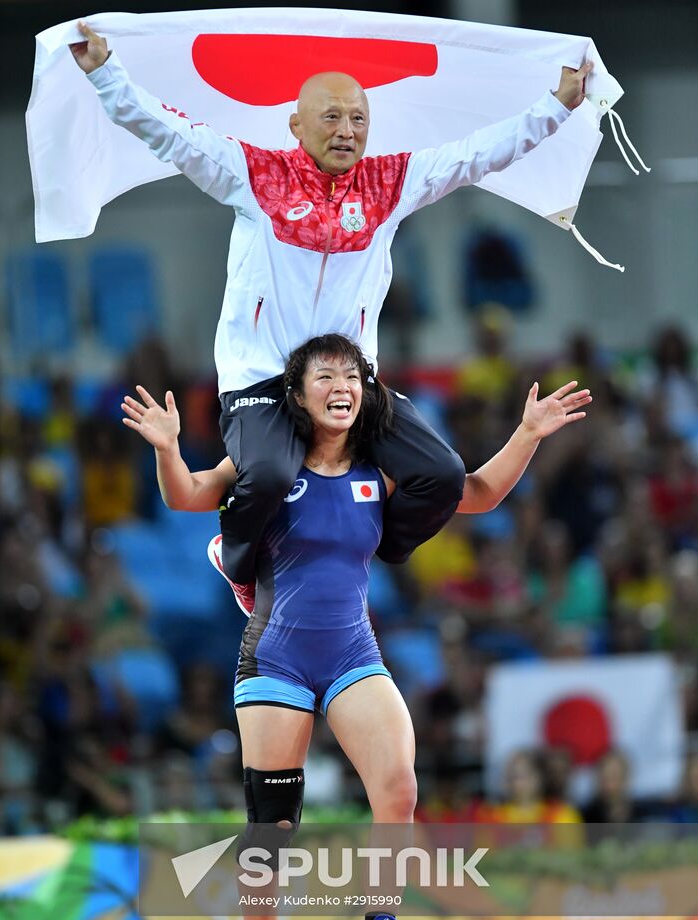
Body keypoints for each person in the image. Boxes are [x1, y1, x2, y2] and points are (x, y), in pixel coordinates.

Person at [72, 22, 592, 615]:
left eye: (359, 119)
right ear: (296, 124)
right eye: (332, 117)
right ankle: (236, 562)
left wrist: (558, 106)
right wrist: (105, 74)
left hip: (349, 385)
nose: (347, 130)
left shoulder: (392, 184)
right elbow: (170, 134)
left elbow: (479, 154)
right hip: (263, 381)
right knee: (268, 476)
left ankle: (372, 542)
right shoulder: (254, 175)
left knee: (442, 475)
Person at [122, 333, 590, 920]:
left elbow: (478, 492)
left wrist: (528, 433)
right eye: (324, 376)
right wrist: (167, 448)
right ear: (296, 395)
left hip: (351, 652)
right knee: (273, 822)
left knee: (397, 787)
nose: (340, 386)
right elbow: (186, 495)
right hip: (276, 657)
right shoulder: (266, 463)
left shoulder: (380, 468)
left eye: (350, 375)